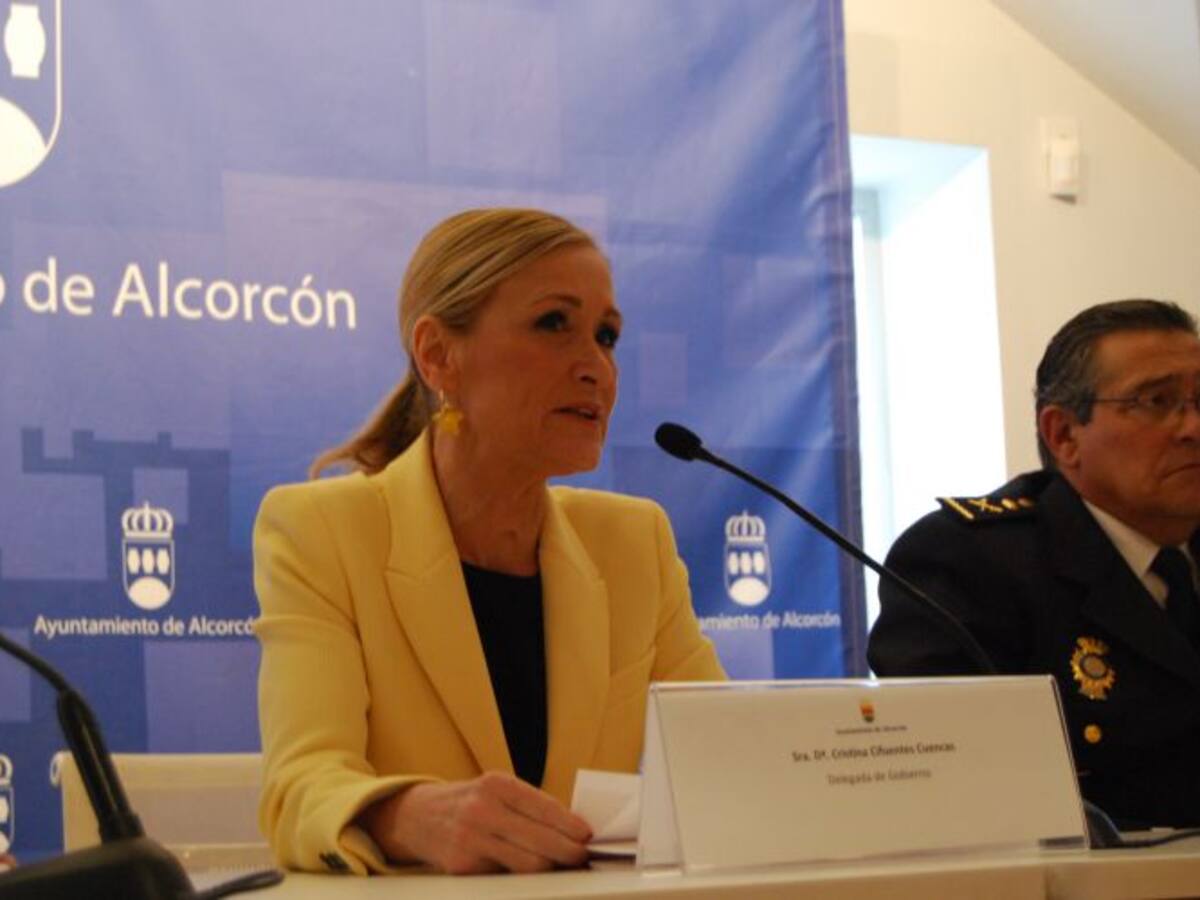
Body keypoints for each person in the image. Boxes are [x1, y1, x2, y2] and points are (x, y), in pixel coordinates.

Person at [252, 208, 725, 875]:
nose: (597, 367)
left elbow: (726, 763)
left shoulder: (633, 542)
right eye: (554, 324)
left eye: (607, 336)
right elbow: (301, 788)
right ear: (438, 355)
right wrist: (406, 815)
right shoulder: (322, 532)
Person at [869, 299, 1200, 829]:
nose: (1192, 428)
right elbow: (954, 798)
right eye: (1157, 401)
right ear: (1064, 435)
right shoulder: (966, 562)